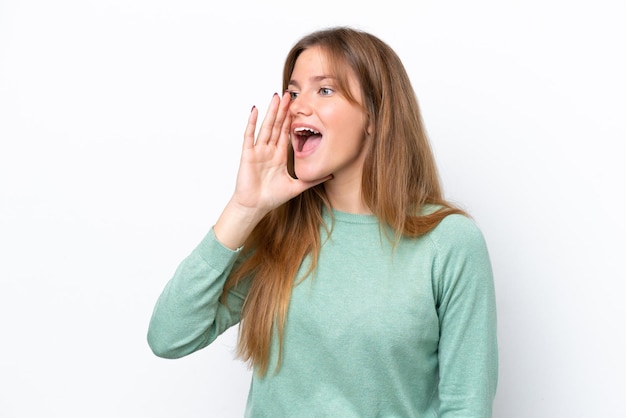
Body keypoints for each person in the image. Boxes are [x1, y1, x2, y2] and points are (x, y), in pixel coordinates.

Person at [147, 26, 498, 417]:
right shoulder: (281, 230)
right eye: (293, 92)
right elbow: (169, 336)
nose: (297, 105)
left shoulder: (448, 243)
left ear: (375, 116)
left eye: (324, 90)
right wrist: (244, 208)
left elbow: (467, 406)